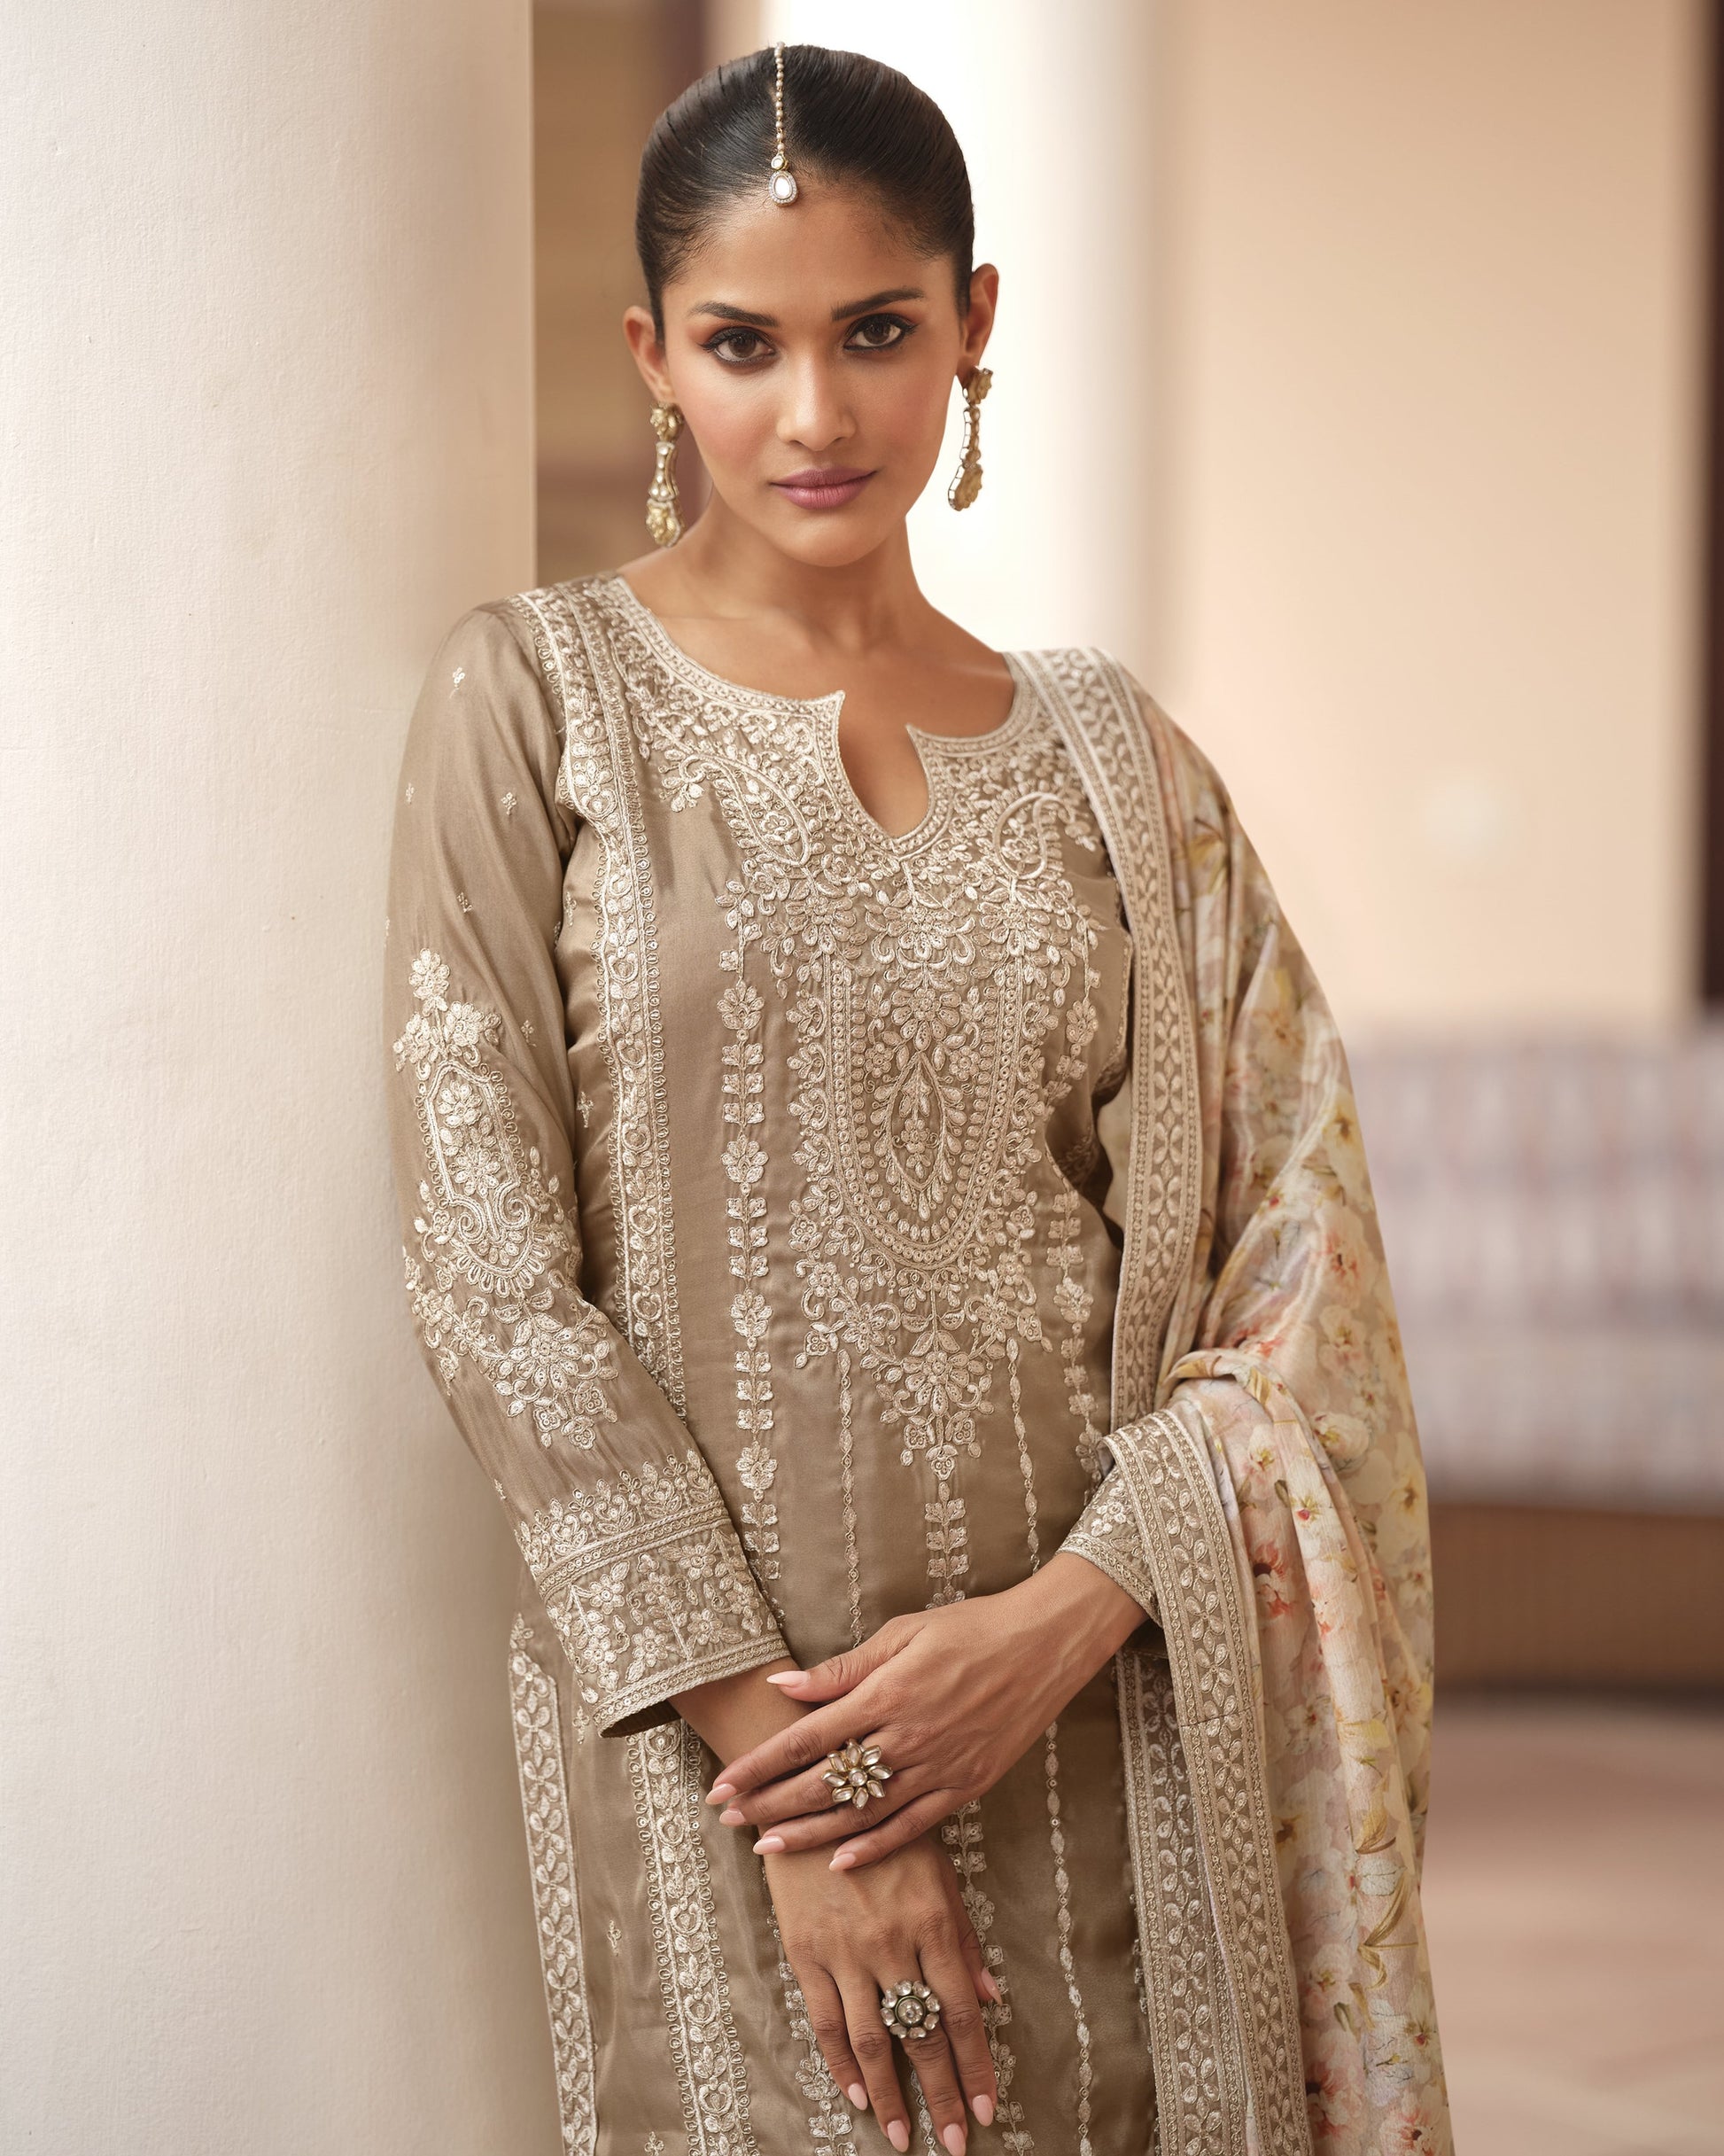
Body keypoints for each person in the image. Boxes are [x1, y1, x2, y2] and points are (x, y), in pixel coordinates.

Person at [383, 41, 1450, 2156]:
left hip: (1105, 1720)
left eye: (877, 330)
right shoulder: (533, 705)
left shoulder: (1115, 764)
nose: (816, 412)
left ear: (974, 326)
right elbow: (490, 1270)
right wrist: (810, 1787)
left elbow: (1296, 1261)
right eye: (742, 343)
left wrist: (1065, 1618)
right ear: (651, 358)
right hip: (727, 1757)